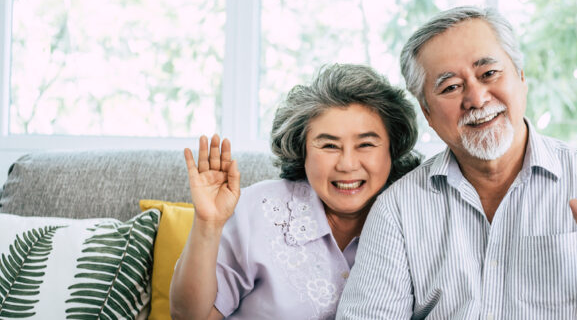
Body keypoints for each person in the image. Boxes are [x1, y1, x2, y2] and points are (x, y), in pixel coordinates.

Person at [336, 6, 577, 319]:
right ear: (427, 112)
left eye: (489, 73)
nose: (476, 98)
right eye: (451, 87)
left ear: (521, 77)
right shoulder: (397, 209)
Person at [170, 63, 421, 319]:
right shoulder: (256, 209)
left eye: (366, 144)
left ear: (392, 149)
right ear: (303, 152)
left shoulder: (417, 218)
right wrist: (207, 224)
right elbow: (190, 317)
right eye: (329, 146)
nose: (347, 164)